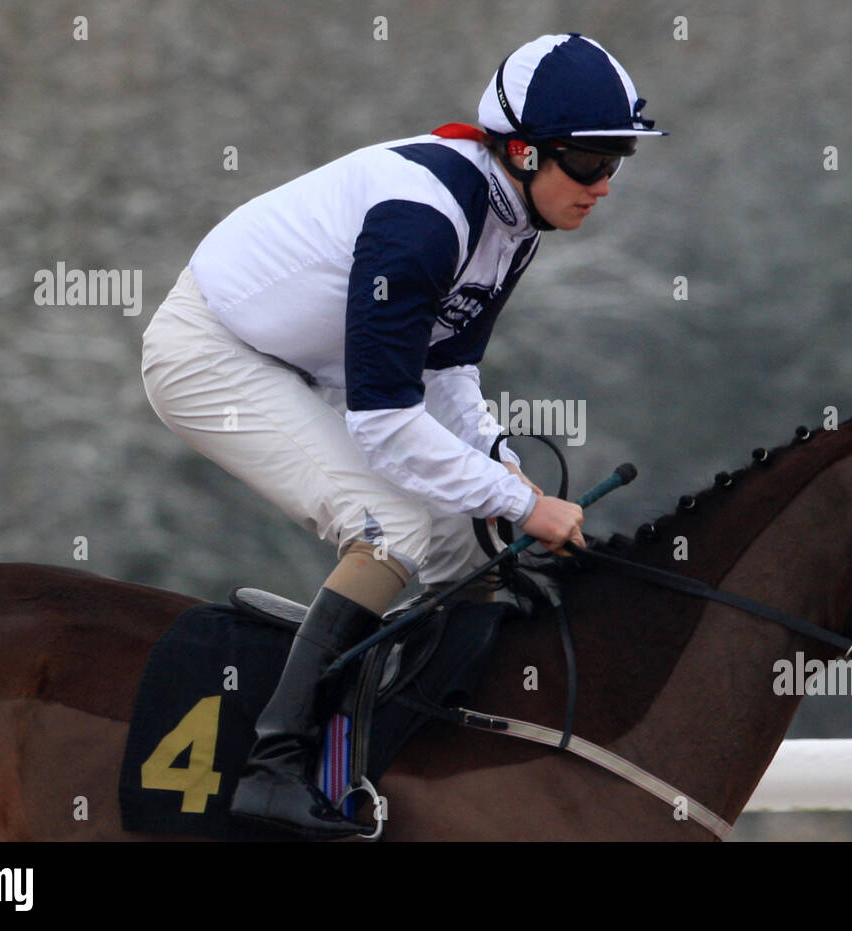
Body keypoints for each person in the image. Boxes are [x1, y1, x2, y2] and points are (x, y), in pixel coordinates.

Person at [140, 32, 664, 838]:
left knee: (472, 542)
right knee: (395, 529)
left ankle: (401, 753)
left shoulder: (512, 220)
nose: (605, 185)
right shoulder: (425, 218)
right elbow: (384, 422)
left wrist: (503, 473)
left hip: (305, 366)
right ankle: (273, 769)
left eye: (618, 160)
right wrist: (524, 505)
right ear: (523, 151)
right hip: (212, 354)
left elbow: (446, 374)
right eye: (590, 161)